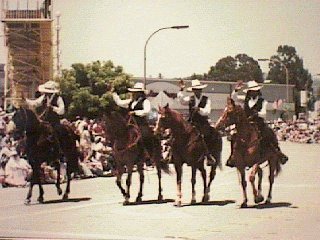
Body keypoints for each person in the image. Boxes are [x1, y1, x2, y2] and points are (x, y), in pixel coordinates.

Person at [230, 80, 288, 167]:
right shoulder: (245, 99)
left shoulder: (263, 101)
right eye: (252, 91)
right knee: (234, 135)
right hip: (246, 123)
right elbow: (234, 98)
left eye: (255, 91)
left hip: (258, 123)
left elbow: (264, 114)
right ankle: (233, 156)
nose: (253, 93)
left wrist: (257, 114)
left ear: (257, 92)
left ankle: (278, 153)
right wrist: (236, 90)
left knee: (269, 134)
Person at [112, 82, 161, 165]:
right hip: (131, 124)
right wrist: (113, 93)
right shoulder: (131, 101)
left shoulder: (145, 101)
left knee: (145, 136)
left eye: (135, 93)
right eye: (133, 92)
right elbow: (119, 102)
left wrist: (135, 112)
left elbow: (146, 111)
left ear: (140, 93)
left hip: (142, 124)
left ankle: (149, 155)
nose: (133, 94)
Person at [177, 79, 216, 166]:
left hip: (202, 123)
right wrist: (181, 89)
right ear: (193, 90)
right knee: (179, 133)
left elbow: (207, 111)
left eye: (198, 90)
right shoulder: (190, 99)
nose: (197, 91)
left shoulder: (206, 99)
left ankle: (208, 155)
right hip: (192, 122)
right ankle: (173, 154)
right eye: (195, 90)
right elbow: (181, 101)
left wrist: (199, 110)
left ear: (201, 90)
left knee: (203, 136)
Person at [26, 80, 65, 153]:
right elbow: (35, 103)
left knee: (57, 133)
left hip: (54, 122)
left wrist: (52, 108)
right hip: (44, 121)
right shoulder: (44, 97)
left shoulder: (58, 98)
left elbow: (62, 110)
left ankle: (60, 150)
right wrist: (26, 100)